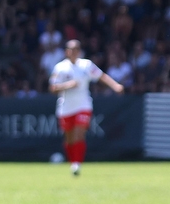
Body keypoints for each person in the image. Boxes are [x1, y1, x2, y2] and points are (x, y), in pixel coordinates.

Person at [49, 40, 124, 176]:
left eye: (77, 49)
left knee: (79, 134)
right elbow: (53, 88)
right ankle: (73, 162)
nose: (74, 52)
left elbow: (102, 76)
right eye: (71, 49)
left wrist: (115, 86)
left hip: (83, 105)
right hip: (65, 107)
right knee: (69, 139)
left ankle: (77, 164)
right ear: (67, 52)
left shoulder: (86, 65)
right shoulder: (60, 68)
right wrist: (68, 85)